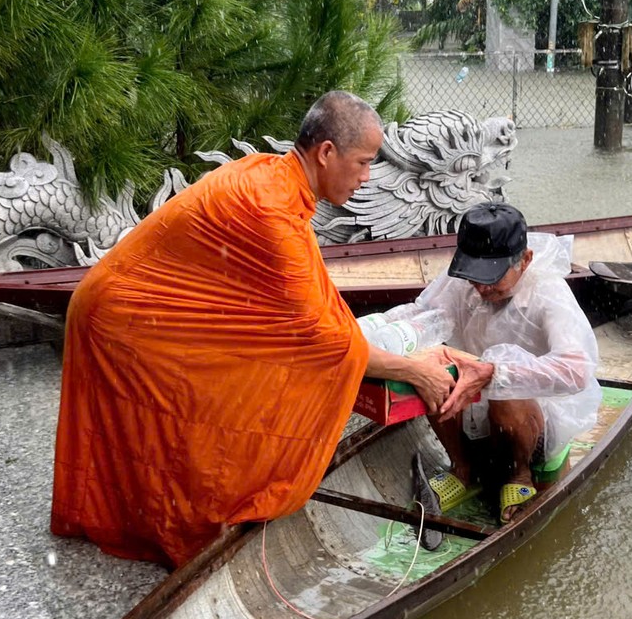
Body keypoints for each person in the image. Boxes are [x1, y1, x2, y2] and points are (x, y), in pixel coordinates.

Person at [50, 91, 458, 568]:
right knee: (176, 420)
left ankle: (140, 513)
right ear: (326, 153)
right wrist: (414, 370)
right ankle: (164, 523)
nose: (368, 178)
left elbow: (309, 310)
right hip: (124, 319)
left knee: (194, 409)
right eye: (364, 163)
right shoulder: (270, 207)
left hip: (126, 305)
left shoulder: (275, 176)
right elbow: (327, 344)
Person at [378, 202, 601, 523]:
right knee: (423, 366)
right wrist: (374, 337)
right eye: (474, 277)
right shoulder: (464, 282)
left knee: (505, 390)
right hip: (473, 401)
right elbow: (424, 315)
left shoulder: (548, 293)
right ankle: (462, 467)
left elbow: (576, 370)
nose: (481, 288)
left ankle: (520, 475)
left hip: (533, 413)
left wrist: (496, 373)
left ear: (525, 261)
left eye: (492, 278)